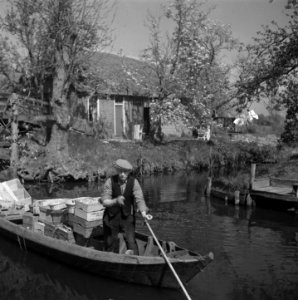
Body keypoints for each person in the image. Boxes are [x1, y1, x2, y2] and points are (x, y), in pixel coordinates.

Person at [101, 159, 152, 255]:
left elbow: (139, 199)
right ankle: (111, 260)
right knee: (110, 243)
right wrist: (115, 201)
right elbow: (104, 202)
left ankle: (137, 261)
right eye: (120, 171)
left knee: (131, 242)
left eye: (125, 172)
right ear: (117, 170)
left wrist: (144, 213)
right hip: (111, 217)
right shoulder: (109, 181)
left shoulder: (134, 182)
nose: (122, 174)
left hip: (127, 216)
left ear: (129, 172)